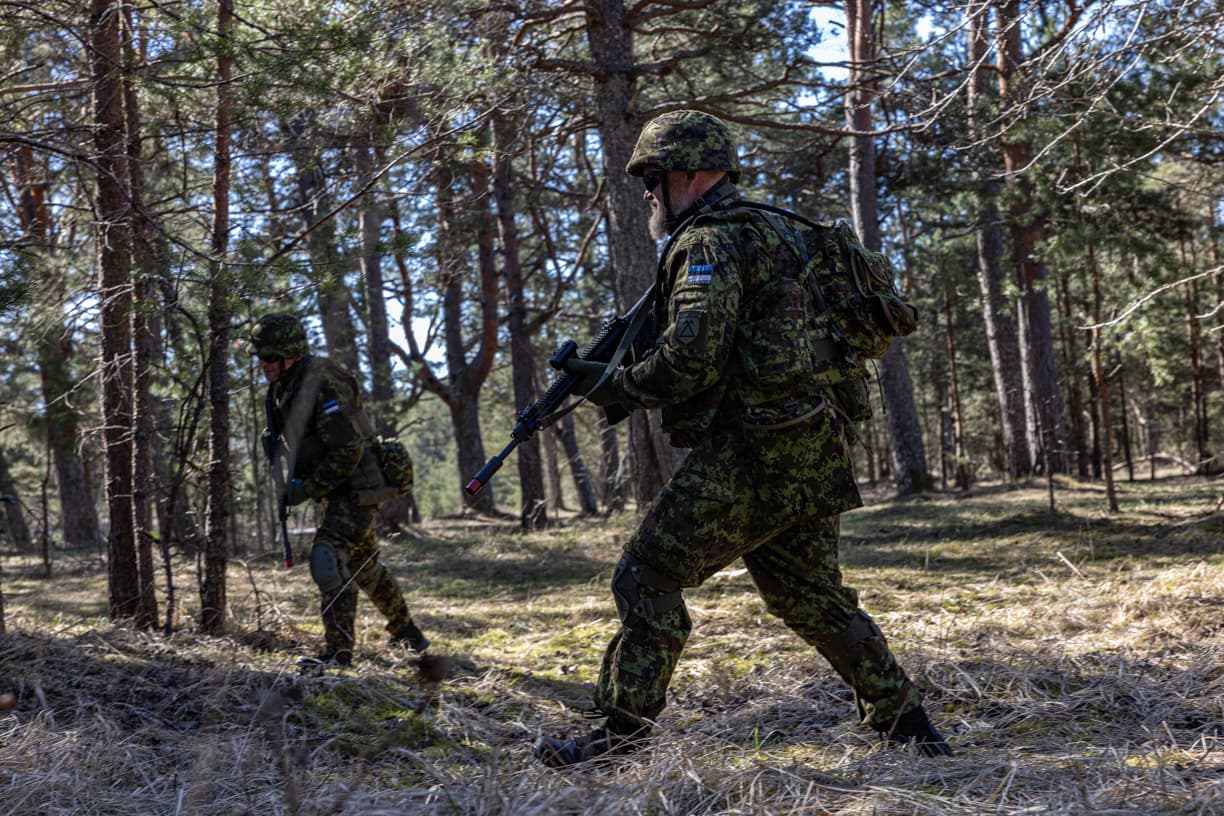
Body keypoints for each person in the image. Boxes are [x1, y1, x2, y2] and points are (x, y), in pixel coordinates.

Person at [532, 110, 952, 766]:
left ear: (693, 174)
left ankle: (621, 733)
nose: (648, 192)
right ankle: (914, 732)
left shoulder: (707, 242)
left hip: (755, 452)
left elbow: (690, 361)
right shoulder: (787, 229)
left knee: (645, 572)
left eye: (654, 177)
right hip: (818, 445)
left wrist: (616, 386)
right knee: (807, 596)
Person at [248, 312, 429, 667]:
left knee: (327, 557)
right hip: (337, 487)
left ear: (290, 353)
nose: (263, 364)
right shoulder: (285, 384)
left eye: (268, 356)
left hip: (356, 484)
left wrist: (308, 488)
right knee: (364, 566)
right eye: (259, 357)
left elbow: (349, 448)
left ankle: (339, 654)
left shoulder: (322, 381)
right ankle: (409, 635)